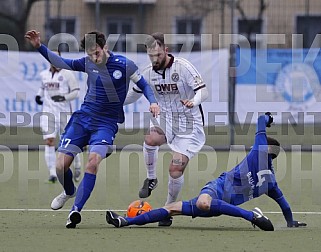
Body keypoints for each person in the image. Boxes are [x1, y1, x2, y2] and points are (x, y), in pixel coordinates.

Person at [25, 30, 160, 228]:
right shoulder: (87, 62)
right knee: (61, 166)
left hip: (106, 123)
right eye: (89, 54)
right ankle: (69, 192)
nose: (93, 57)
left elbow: (145, 85)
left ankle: (75, 210)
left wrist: (153, 102)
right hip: (82, 120)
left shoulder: (125, 64)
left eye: (96, 52)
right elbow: (63, 63)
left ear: (105, 47)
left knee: (92, 162)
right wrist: (39, 46)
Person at [106, 113, 307, 230]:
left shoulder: (261, 161)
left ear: (265, 149)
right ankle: (125, 221)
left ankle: (251, 216)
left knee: (193, 206)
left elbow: (261, 120)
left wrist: (268, 117)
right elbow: (285, 206)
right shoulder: (268, 177)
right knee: (171, 209)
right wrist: (290, 222)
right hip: (214, 190)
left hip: (217, 205)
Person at [124, 32, 209, 226]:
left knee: (175, 169)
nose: (155, 59)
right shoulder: (146, 73)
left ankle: (167, 209)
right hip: (165, 119)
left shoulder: (184, 67)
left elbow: (203, 91)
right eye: (151, 56)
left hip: (189, 123)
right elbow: (132, 96)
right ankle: (151, 178)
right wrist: (112, 100)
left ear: (166, 50)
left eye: (158, 55)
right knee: (150, 139)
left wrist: (193, 101)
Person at [36, 50, 82, 183]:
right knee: (49, 141)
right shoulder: (43, 74)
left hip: (64, 113)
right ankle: (52, 173)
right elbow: (42, 88)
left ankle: (77, 165)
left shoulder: (67, 74)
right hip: (48, 113)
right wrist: (38, 96)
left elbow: (76, 92)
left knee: (70, 142)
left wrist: (63, 97)